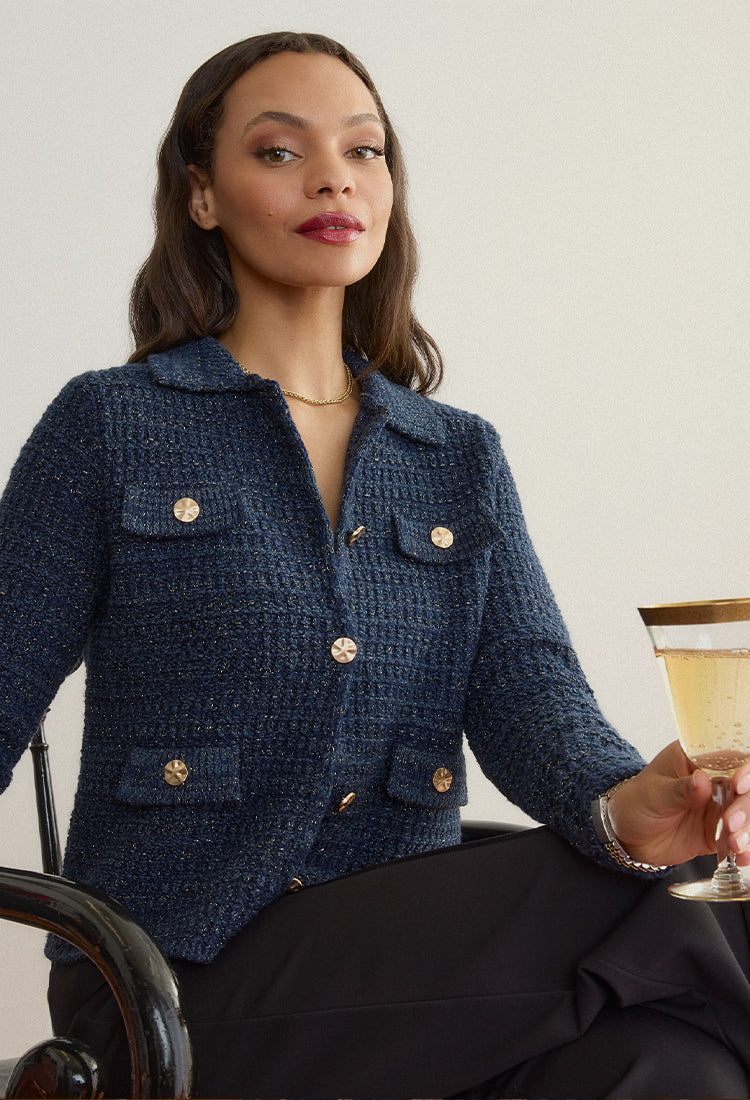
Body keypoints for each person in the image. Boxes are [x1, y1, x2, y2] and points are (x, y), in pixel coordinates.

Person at [1, 30, 749, 1099]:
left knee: (677, 1061)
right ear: (201, 195)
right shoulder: (111, 428)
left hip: (413, 974)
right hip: (173, 981)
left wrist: (633, 806)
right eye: (277, 151)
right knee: (668, 908)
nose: (333, 178)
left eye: (365, 150)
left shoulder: (458, 456)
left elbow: (537, 701)